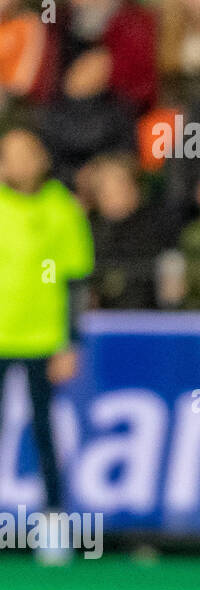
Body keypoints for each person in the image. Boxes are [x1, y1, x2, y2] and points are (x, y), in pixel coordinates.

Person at [0, 126, 93, 562]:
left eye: (23, 153)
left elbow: (74, 282)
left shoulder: (62, 209)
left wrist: (69, 343)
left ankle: (53, 524)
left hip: (42, 337)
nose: (14, 162)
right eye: (7, 154)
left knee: (43, 431)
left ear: (41, 158)